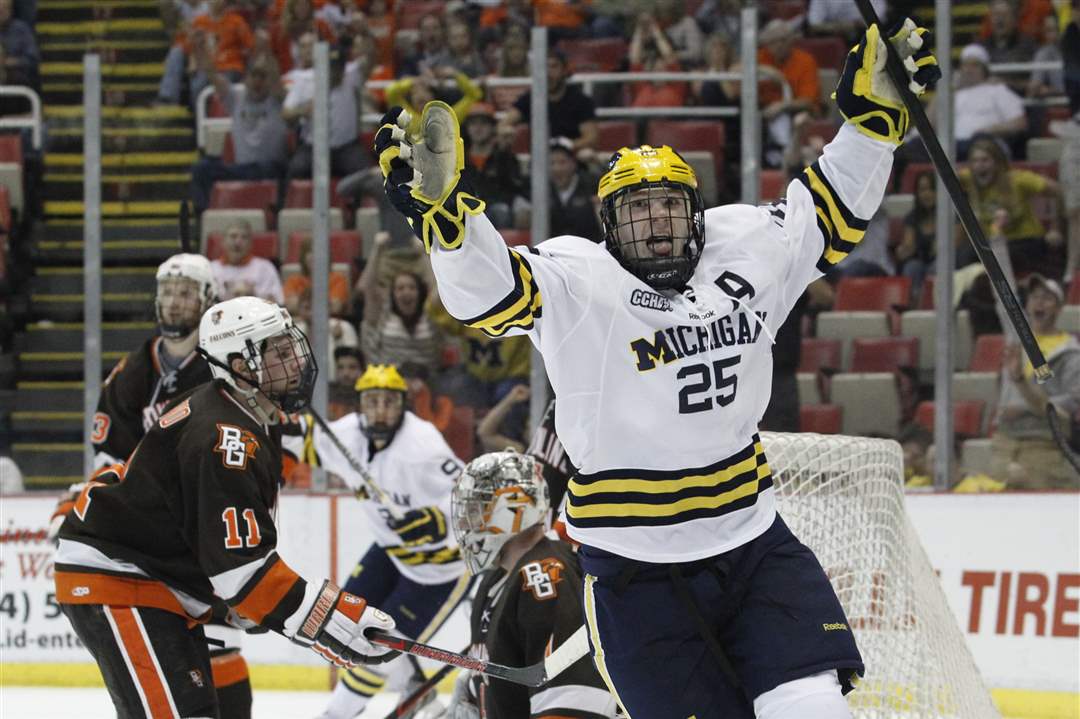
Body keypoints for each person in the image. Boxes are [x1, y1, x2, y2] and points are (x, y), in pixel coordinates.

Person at [374, 18, 939, 718]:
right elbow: (488, 296)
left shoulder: (745, 249)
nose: (655, 224)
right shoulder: (580, 282)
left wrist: (876, 125)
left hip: (753, 539)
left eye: (668, 205)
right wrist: (450, 225)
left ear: (696, 211)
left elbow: (828, 210)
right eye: (636, 211)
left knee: (813, 705)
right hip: (635, 571)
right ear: (608, 224)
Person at [54, 297, 397, 719]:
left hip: (161, 580)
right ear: (241, 365)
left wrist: (265, 604)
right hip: (120, 575)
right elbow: (244, 573)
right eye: (280, 352)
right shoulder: (223, 435)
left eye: (292, 346)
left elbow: (228, 552)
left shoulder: (247, 415)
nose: (296, 360)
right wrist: (326, 618)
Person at [284, 364, 470, 719]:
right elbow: (300, 439)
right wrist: (279, 413)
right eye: (372, 401)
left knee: (377, 648)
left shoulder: (423, 445)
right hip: (391, 551)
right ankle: (420, 696)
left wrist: (441, 520)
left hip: (439, 569)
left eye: (389, 402)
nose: (380, 410)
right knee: (341, 620)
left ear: (403, 405)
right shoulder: (347, 433)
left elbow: (469, 496)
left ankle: (336, 715)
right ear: (360, 405)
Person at [444, 450, 619, 719]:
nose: (466, 521)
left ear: (511, 509)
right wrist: (476, 688)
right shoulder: (497, 579)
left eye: (476, 509)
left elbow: (573, 700)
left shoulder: (546, 578)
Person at [90, 253, 216, 469]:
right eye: (167, 293)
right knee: (70, 505)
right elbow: (110, 452)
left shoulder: (223, 363)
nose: (174, 303)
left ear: (208, 299)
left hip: (210, 488)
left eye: (185, 293)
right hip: (150, 492)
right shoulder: (134, 369)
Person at [990, 274, 1080, 488]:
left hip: (1044, 446)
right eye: (1034, 297)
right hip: (1005, 442)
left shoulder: (1070, 353)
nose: (1039, 302)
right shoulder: (1017, 342)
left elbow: (1069, 408)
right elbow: (1003, 297)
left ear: (1059, 308)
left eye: (1047, 298)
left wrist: (1024, 408)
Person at [189, 53, 288, 214]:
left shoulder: (278, 99)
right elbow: (214, 76)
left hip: (270, 168)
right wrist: (202, 51)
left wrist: (268, 57)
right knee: (201, 168)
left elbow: (277, 82)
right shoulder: (236, 97)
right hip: (241, 168)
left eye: (262, 77)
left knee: (272, 168)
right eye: (253, 76)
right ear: (246, 79)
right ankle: (205, 217)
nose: (257, 81)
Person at [958, 134, 1065, 277]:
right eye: (975, 161)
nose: (979, 166)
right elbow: (943, 179)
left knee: (1000, 255)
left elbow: (1057, 190)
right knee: (963, 256)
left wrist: (1055, 228)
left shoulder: (1018, 179)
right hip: (991, 243)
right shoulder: (968, 178)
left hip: (1026, 241)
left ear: (997, 163)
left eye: (985, 160)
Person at [502, 49, 599, 161]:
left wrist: (566, 144)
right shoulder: (531, 98)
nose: (548, 72)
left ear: (564, 70)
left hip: (570, 158)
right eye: (545, 67)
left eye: (554, 67)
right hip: (539, 159)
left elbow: (591, 138)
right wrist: (506, 130)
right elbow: (505, 122)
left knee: (587, 154)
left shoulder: (580, 100)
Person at [210, 219, 285, 303]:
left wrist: (253, 295)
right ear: (223, 241)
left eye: (244, 237)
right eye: (233, 236)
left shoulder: (265, 268)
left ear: (251, 243)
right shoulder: (211, 269)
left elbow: (278, 302)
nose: (237, 242)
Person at [549, 136, 602, 240]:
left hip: (588, 248)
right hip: (552, 251)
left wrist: (596, 162)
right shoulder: (542, 189)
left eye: (562, 162)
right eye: (552, 163)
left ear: (573, 163)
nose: (556, 168)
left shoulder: (591, 184)